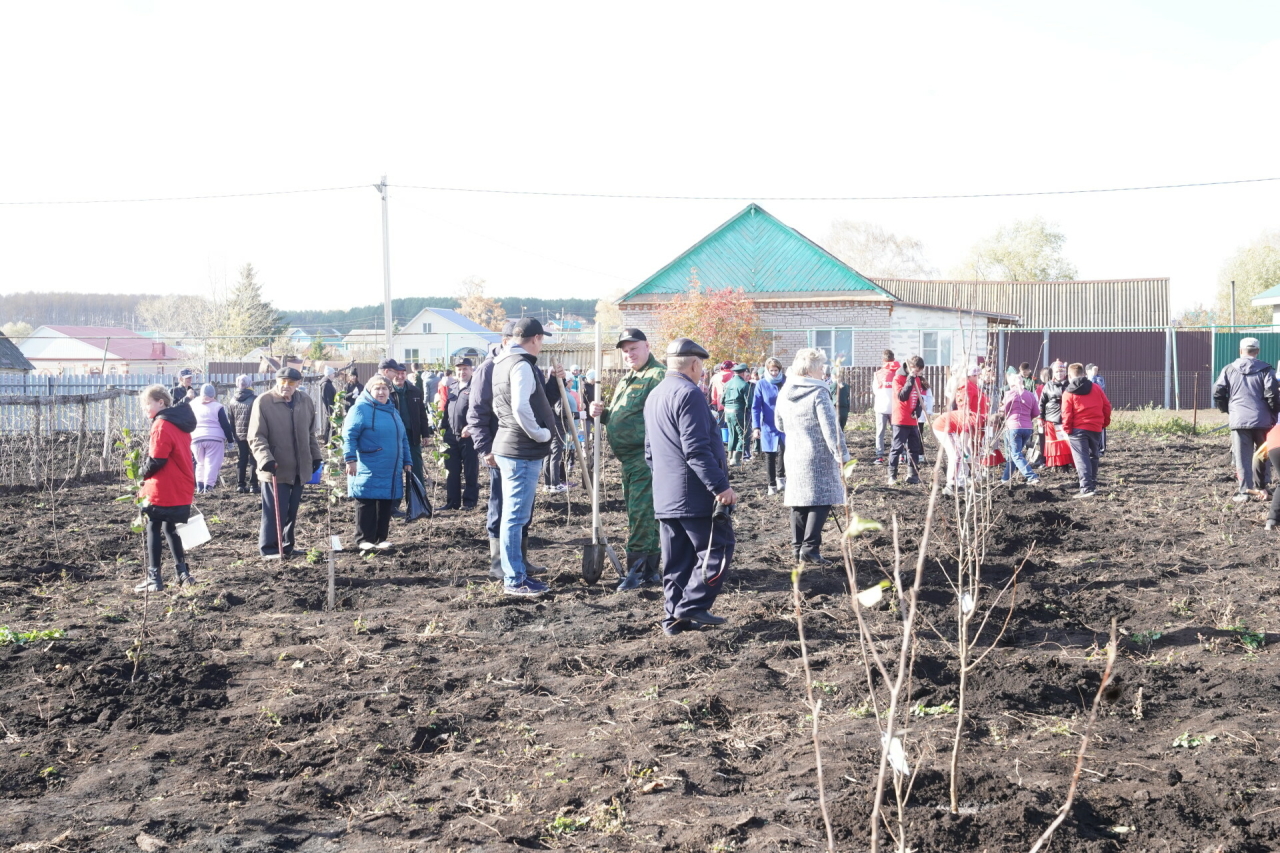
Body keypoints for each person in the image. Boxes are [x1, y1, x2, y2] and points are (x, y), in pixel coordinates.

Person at [644, 338, 736, 636]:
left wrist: (666, 481)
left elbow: (649, 452)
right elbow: (696, 450)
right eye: (702, 368)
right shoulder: (690, 394)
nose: (702, 373)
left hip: (665, 495)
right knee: (717, 550)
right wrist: (720, 487)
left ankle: (673, 620)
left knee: (677, 562)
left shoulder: (655, 394)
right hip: (694, 495)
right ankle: (691, 605)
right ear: (695, 364)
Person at [589, 327, 668, 590]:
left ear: (647, 346)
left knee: (642, 513)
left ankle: (637, 570)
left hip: (645, 457)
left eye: (633, 348)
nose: (629, 355)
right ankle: (651, 571)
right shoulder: (628, 379)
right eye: (625, 351)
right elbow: (625, 415)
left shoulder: (657, 376)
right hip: (628, 460)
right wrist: (604, 411)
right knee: (640, 513)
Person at [491, 317, 558, 596]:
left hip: (509, 446)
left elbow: (500, 406)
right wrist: (540, 434)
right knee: (515, 517)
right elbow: (520, 406)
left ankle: (514, 574)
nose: (541, 346)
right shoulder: (521, 366)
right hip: (521, 450)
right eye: (542, 340)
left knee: (512, 515)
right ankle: (515, 580)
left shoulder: (501, 363)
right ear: (536, 338)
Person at [775, 348, 849, 565]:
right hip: (817, 456)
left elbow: (779, 424)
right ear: (813, 369)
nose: (824, 371)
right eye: (822, 367)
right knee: (821, 500)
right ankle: (810, 549)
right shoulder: (819, 392)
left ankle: (797, 548)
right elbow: (831, 429)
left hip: (794, 454)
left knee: (799, 501)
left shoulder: (785, 390)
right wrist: (841, 455)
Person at [248, 367, 323, 559]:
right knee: (274, 510)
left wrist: (315, 456)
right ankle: (269, 549)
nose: (286, 386)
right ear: (276, 381)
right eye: (282, 381)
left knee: (291, 510)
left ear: (298, 383)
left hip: (299, 467)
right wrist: (266, 459)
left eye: (291, 382)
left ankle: (287, 546)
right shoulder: (264, 401)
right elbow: (256, 436)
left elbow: (310, 433)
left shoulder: (304, 400)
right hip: (275, 467)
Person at [134, 385, 197, 592]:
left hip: (164, 486)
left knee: (153, 526)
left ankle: (154, 578)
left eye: (147, 404)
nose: (145, 409)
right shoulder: (180, 422)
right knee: (171, 528)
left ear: (161, 402)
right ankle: (183, 574)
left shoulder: (161, 424)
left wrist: (139, 473)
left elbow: (157, 459)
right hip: (182, 483)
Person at [342, 375, 413, 550]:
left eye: (384, 389)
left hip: (391, 466)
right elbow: (349, 435)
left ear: (389, 391)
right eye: (377, 388)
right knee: (367, 500)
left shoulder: (393, 411)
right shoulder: (360, 409)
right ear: (369, 390)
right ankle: (364, 539)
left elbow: (403, 438)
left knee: (385, 501)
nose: (381, 392)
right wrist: (350, 459)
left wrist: (407, 460)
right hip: (368, 463)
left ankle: (381, 538)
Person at [1213, 337, 1280, 502]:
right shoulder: (1266, 370)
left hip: (1239, 420)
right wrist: (1273, 411)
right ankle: (1263, 487)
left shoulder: (1229, 369)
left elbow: (1218, 392)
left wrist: (1228, 410)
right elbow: (1272, 393)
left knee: (1242, 457)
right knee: (1263, 455)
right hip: (1263, 420)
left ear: (1240, 351)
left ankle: (1245, 492)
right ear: (1257, 351)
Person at [383, 359, 429, 513]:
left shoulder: (415, 391)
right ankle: (394, 506)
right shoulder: (387, 392)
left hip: (412, 436)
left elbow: (422, 414)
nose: (400, 376)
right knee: (395, 471)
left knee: (415, 471)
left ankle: (417, 504)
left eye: (403, 373)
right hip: (394, 439)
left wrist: (426, 434)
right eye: (398, 373)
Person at [1062, 362, 1113, 499]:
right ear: (1083, 374)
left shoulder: (1068, 392)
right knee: (1093, 455)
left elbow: (1066, 413)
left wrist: (1067, 429)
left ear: (1070, 375)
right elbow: (1107, 406)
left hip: (1077, 429)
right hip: (1095, 427)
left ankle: (1086, 488)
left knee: (1081, 457)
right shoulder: (1096, 388)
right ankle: (1092, 483)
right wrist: (1104, 423)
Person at [443, 358, 479, 510]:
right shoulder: (452, 387)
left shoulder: (476, 387)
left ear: (471, 370)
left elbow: (482, 410)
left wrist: (471, 427)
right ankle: (453, 502)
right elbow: (446, 411)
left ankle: (469, 502)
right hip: (451, 436)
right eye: (459, 369)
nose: (462, 372)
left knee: (470, 470)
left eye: (465, 369)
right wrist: (442, 431)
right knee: (451, 470)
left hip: (469, 436)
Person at [888, 357, 928, 486]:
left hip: (913, 420)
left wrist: (918, 410)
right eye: (916, 371)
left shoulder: (916, 379)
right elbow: (902, 396)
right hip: (901, 419)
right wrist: (910, 378)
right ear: (910, 368)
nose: (918, 374)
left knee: (914, 449)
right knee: (897, 448)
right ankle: (892, 476)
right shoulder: (897, 379)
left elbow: (918, 398)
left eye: (919, 372)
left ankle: (912, 474)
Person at [999, 369, 1041, 486]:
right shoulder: (1030, 395)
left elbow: (1004, 412)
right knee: (1014, 454)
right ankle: (1005, 478)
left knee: (1015, 454)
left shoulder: (1009, 394)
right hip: (1027, 428)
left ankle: (1031, 476)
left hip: (1013, 427)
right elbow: (1036, 413)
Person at [752, 357, 787, 495]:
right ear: (767, 370)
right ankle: (771, 484)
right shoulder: (761, 384)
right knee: (770, 455)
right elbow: (756, 407)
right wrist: (756, 427)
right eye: (771, 370)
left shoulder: (785, 382)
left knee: (784, 451)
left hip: (785, 425)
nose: (774, 373)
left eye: (776, 370)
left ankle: (781, 477)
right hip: (768, 425)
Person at [191, 383, 234, 493]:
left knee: (200, 463)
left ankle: (199, 486)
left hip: (196, 438)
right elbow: (225, 425)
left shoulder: (193, 405)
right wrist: (230, 440)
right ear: (213, 395)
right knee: (212, 463)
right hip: (214, 439)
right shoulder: (217, 407)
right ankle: (208, 487)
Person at [227, 375, 259, 494]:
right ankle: (254, 486)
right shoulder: (255, 399)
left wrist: (234, 435)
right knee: (253, 460)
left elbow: (231, 420)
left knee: (242, 459)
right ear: (249, 384)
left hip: (239, 435)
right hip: (253, 434)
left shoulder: (232, 400)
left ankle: (240, 485)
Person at [1039, 361, 1074, 470]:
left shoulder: (1070, 384)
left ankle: (1065, 464)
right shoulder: (1048, 385)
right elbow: (1042, 402)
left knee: (1065, 442)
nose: (1060, 373)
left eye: (1062, 371)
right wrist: (1041, 417)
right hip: (1051, 418)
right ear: (1053, 373)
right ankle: (1054, 464)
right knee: (1053, 443)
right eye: (1057, 371)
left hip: (1066, 418)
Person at [721, 363, 751, 466]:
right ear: (743, 372)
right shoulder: (744, 385)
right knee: (744, 435)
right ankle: (736, 459)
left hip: (727, 412)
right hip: (738, 412)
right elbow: (749, 403)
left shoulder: (727, 384)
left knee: (732, 435)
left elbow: (722, 400)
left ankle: (730, 457)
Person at [872, 351, 898, 464]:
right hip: (895, 408)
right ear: (894, 359)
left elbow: (875, 391)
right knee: (897, 432)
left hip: (881, 407)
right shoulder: (898, 372)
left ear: (883, 360)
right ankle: (901, 456)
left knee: (880, 432)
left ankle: (880, 456)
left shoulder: (877, 374)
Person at [320, 366, 339, 445]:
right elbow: (327, 399)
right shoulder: (326, 384)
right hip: (330, 409)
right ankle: (330, 443)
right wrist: (331, 411)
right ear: (329, 375)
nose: (334, 375)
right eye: (333, 374)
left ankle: (329, 442)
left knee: (329, 427)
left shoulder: (328, 383)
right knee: (331, 427)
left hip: (331, 408)